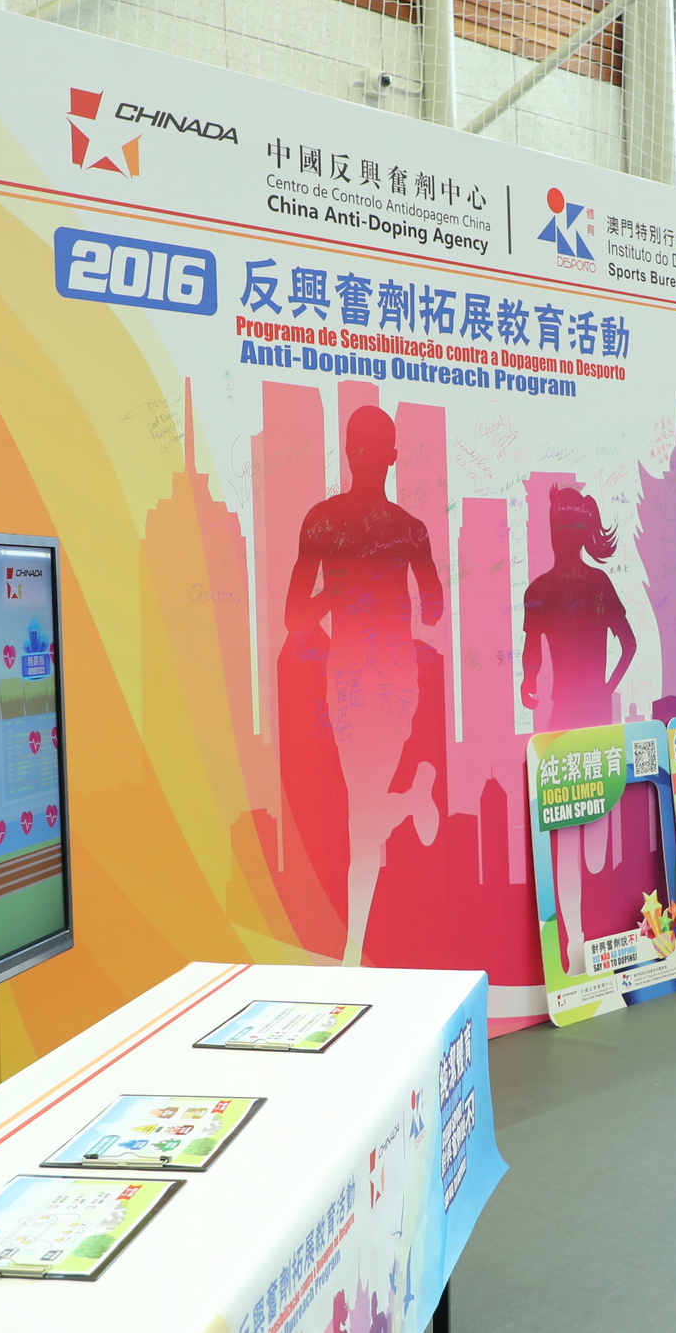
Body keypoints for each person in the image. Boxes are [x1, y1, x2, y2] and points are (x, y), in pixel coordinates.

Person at [286, 404, 444, 967]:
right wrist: (346, 591)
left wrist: (345, 590)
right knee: (363, 809)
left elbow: (433, 610)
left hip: (382, 679)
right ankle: (411, 799)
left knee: (360, 813)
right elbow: (295, 617)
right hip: (355, 678)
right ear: (390, 457)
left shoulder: (386, 527)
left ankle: (353, 948)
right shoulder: (350, 525)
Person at [522, 486, 637, 965]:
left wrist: (529, 683)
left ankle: (582, 933)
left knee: (581, 844)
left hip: (572, 720)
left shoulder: (543, 590)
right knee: (576, 840)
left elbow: (531, 661)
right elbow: (628, 645)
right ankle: (576, 937)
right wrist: (606, 687)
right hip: (582, 719)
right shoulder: (586, 587)